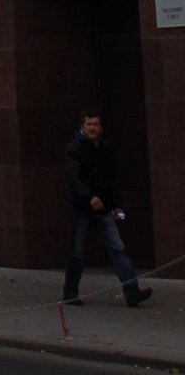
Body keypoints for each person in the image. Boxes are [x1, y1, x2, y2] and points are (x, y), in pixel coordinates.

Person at [62, 111, 152, 307]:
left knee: (118, 248)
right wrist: (89, 197)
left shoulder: (105, 148)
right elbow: (73, 178)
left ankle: (132, 291)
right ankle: (70, 293)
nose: (93, 128)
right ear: (82, 127)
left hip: (104, 208)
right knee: (76, 252)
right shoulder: (74, 148)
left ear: (101, 128)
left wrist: (115, 204)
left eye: (96, 125)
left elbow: (111, 178)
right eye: (89, 125)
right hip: (83, 208)